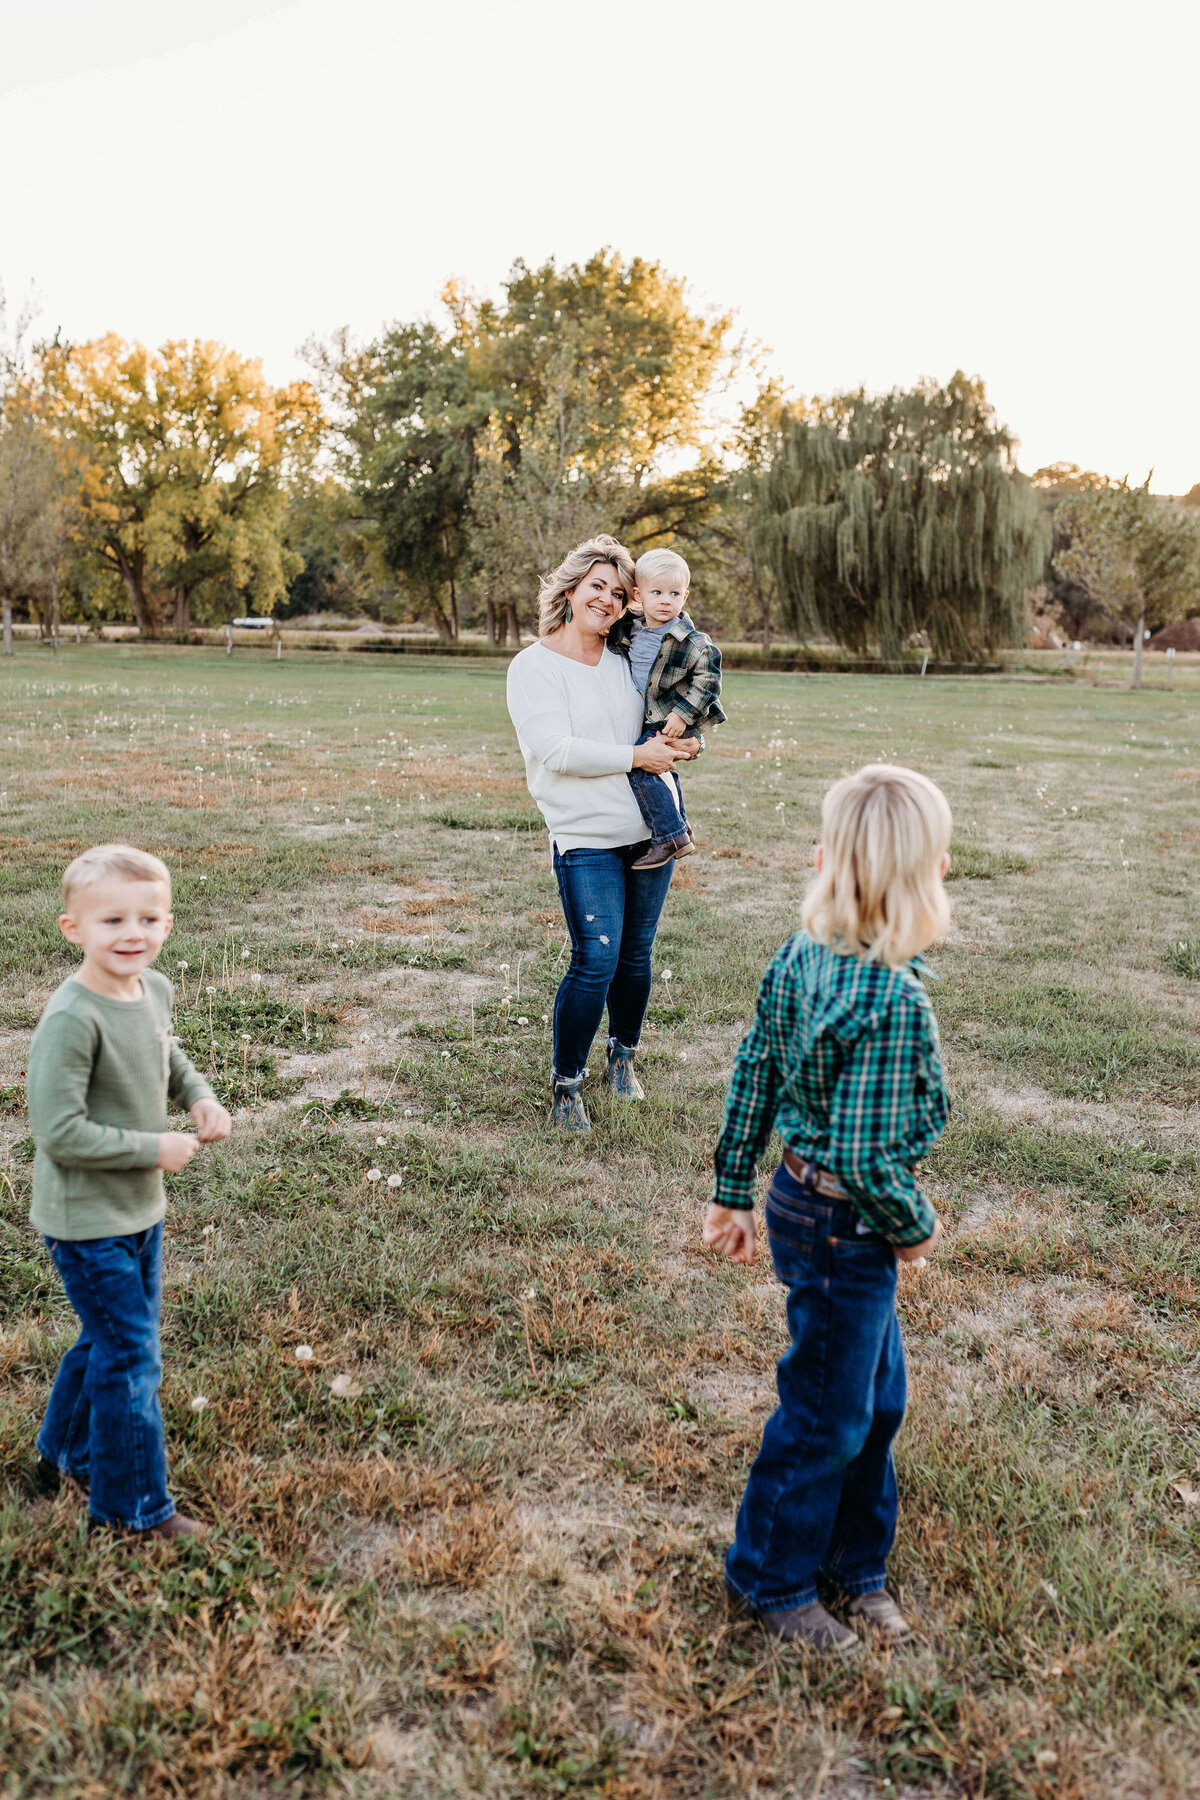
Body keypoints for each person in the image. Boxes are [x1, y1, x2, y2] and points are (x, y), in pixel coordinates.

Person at [704, 765, 952, 1651]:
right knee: (825, 1414)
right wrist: (915, 1231)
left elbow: (755, 1070)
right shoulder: (891, 1002)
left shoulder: (807, 953)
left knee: (875, 1401)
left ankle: (857, 1565)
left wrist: (738, 1190)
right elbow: (864, 1153)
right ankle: (771, 1579)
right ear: (921, 879)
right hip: (847, 1225)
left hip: (804, 1203)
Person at [27, 845, 232, 1541]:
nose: (132, 933)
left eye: (148, 917)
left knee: (106, 1339)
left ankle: (65, 1452)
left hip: (139, 1209)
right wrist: (156, 1148)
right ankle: (133, 1509)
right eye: (112, 919)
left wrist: (198, 1099)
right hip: (85, 1220)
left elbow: (167, 1056)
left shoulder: (154, 989)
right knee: (131, 1357)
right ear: (72, 928)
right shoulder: (71, 1019)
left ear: (168, 924)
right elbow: (58, 1131)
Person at [506, 535, 697, 1130]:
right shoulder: (533, 667)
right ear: (570, 590)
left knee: (636, 956)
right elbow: (555, 750)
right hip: (584, 835)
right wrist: (637, 757)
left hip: (648, 829)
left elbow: (653, 730)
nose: (608, 601)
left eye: (619, 593)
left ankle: (623, 1056)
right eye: (598, 587)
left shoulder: (629, 663)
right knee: (597, 958)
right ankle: (567, 1084)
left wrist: (676, 743)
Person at [606, 548, 726, 870]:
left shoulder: (693, 641)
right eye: (656, 592)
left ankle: (669, 835)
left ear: (685, 596)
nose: (665, 601)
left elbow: (709, 682)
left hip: (669, 716)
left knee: (642, 768)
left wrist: (683, 715)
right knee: (664, 772)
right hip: (651, 714)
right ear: (637, 595)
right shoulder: (628, 628)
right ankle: (681, 826)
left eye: (674, 593)